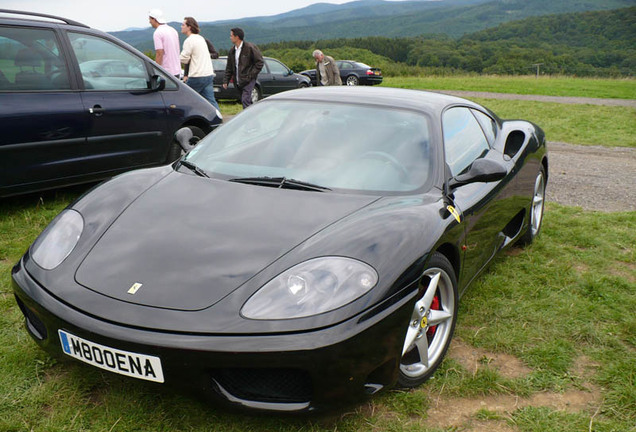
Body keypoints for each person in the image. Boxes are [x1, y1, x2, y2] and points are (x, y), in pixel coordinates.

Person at [180, 16, 220, 111]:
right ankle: (218, 120)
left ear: (189, 27)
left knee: (184, 100)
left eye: (183, 24)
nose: (181, 26)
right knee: (211, 101)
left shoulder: (189, 41)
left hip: (197, 76)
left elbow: (184, 59)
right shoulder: (201, 39)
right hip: (208, 74)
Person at [223, 27, 264, 108]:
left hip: (249, 80)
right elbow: (229, 67)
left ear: (237, 37)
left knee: (245, 100)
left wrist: (250, 75)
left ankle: (247, 119)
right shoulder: (232, 51)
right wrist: (226, 80)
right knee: (245, 100)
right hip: (238, 81)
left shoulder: (250, 48)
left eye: (231, 35)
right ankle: (254, 115)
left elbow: (260, 62)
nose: (230, 37)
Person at [148, 9, 181, 78]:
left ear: (154, 19)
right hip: (177, 70)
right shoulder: (173, 30)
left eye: (150, 19)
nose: (149, 22)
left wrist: (156, 71)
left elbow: (159, 53)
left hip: (166, 72)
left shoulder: (158, 32)